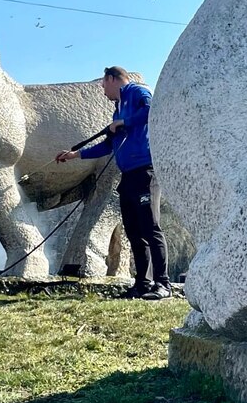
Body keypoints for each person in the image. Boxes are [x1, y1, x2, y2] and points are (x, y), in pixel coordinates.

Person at [56, 66, 171, 300]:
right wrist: (75, 155)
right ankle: (142, 284)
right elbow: (107, 146)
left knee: (151, 228)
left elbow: (153, 111)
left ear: (111, 78)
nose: (103, 91)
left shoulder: (137, 91)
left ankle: (163, 284)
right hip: (127, 176)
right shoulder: (117, 111)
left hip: (146, 172)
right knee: (134, 232)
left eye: (103, 85)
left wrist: (124, 122)